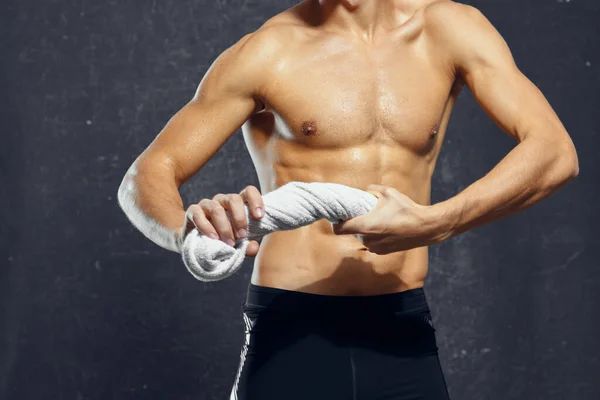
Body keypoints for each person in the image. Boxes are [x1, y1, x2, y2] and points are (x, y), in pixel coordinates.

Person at [117, 0, 579, 399]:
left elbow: (555, 151)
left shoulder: (447, 30)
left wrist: (443, 220)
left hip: (401, 329)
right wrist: (192, 237)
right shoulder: (268, 51)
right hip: (291, 327)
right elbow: (146, 175)